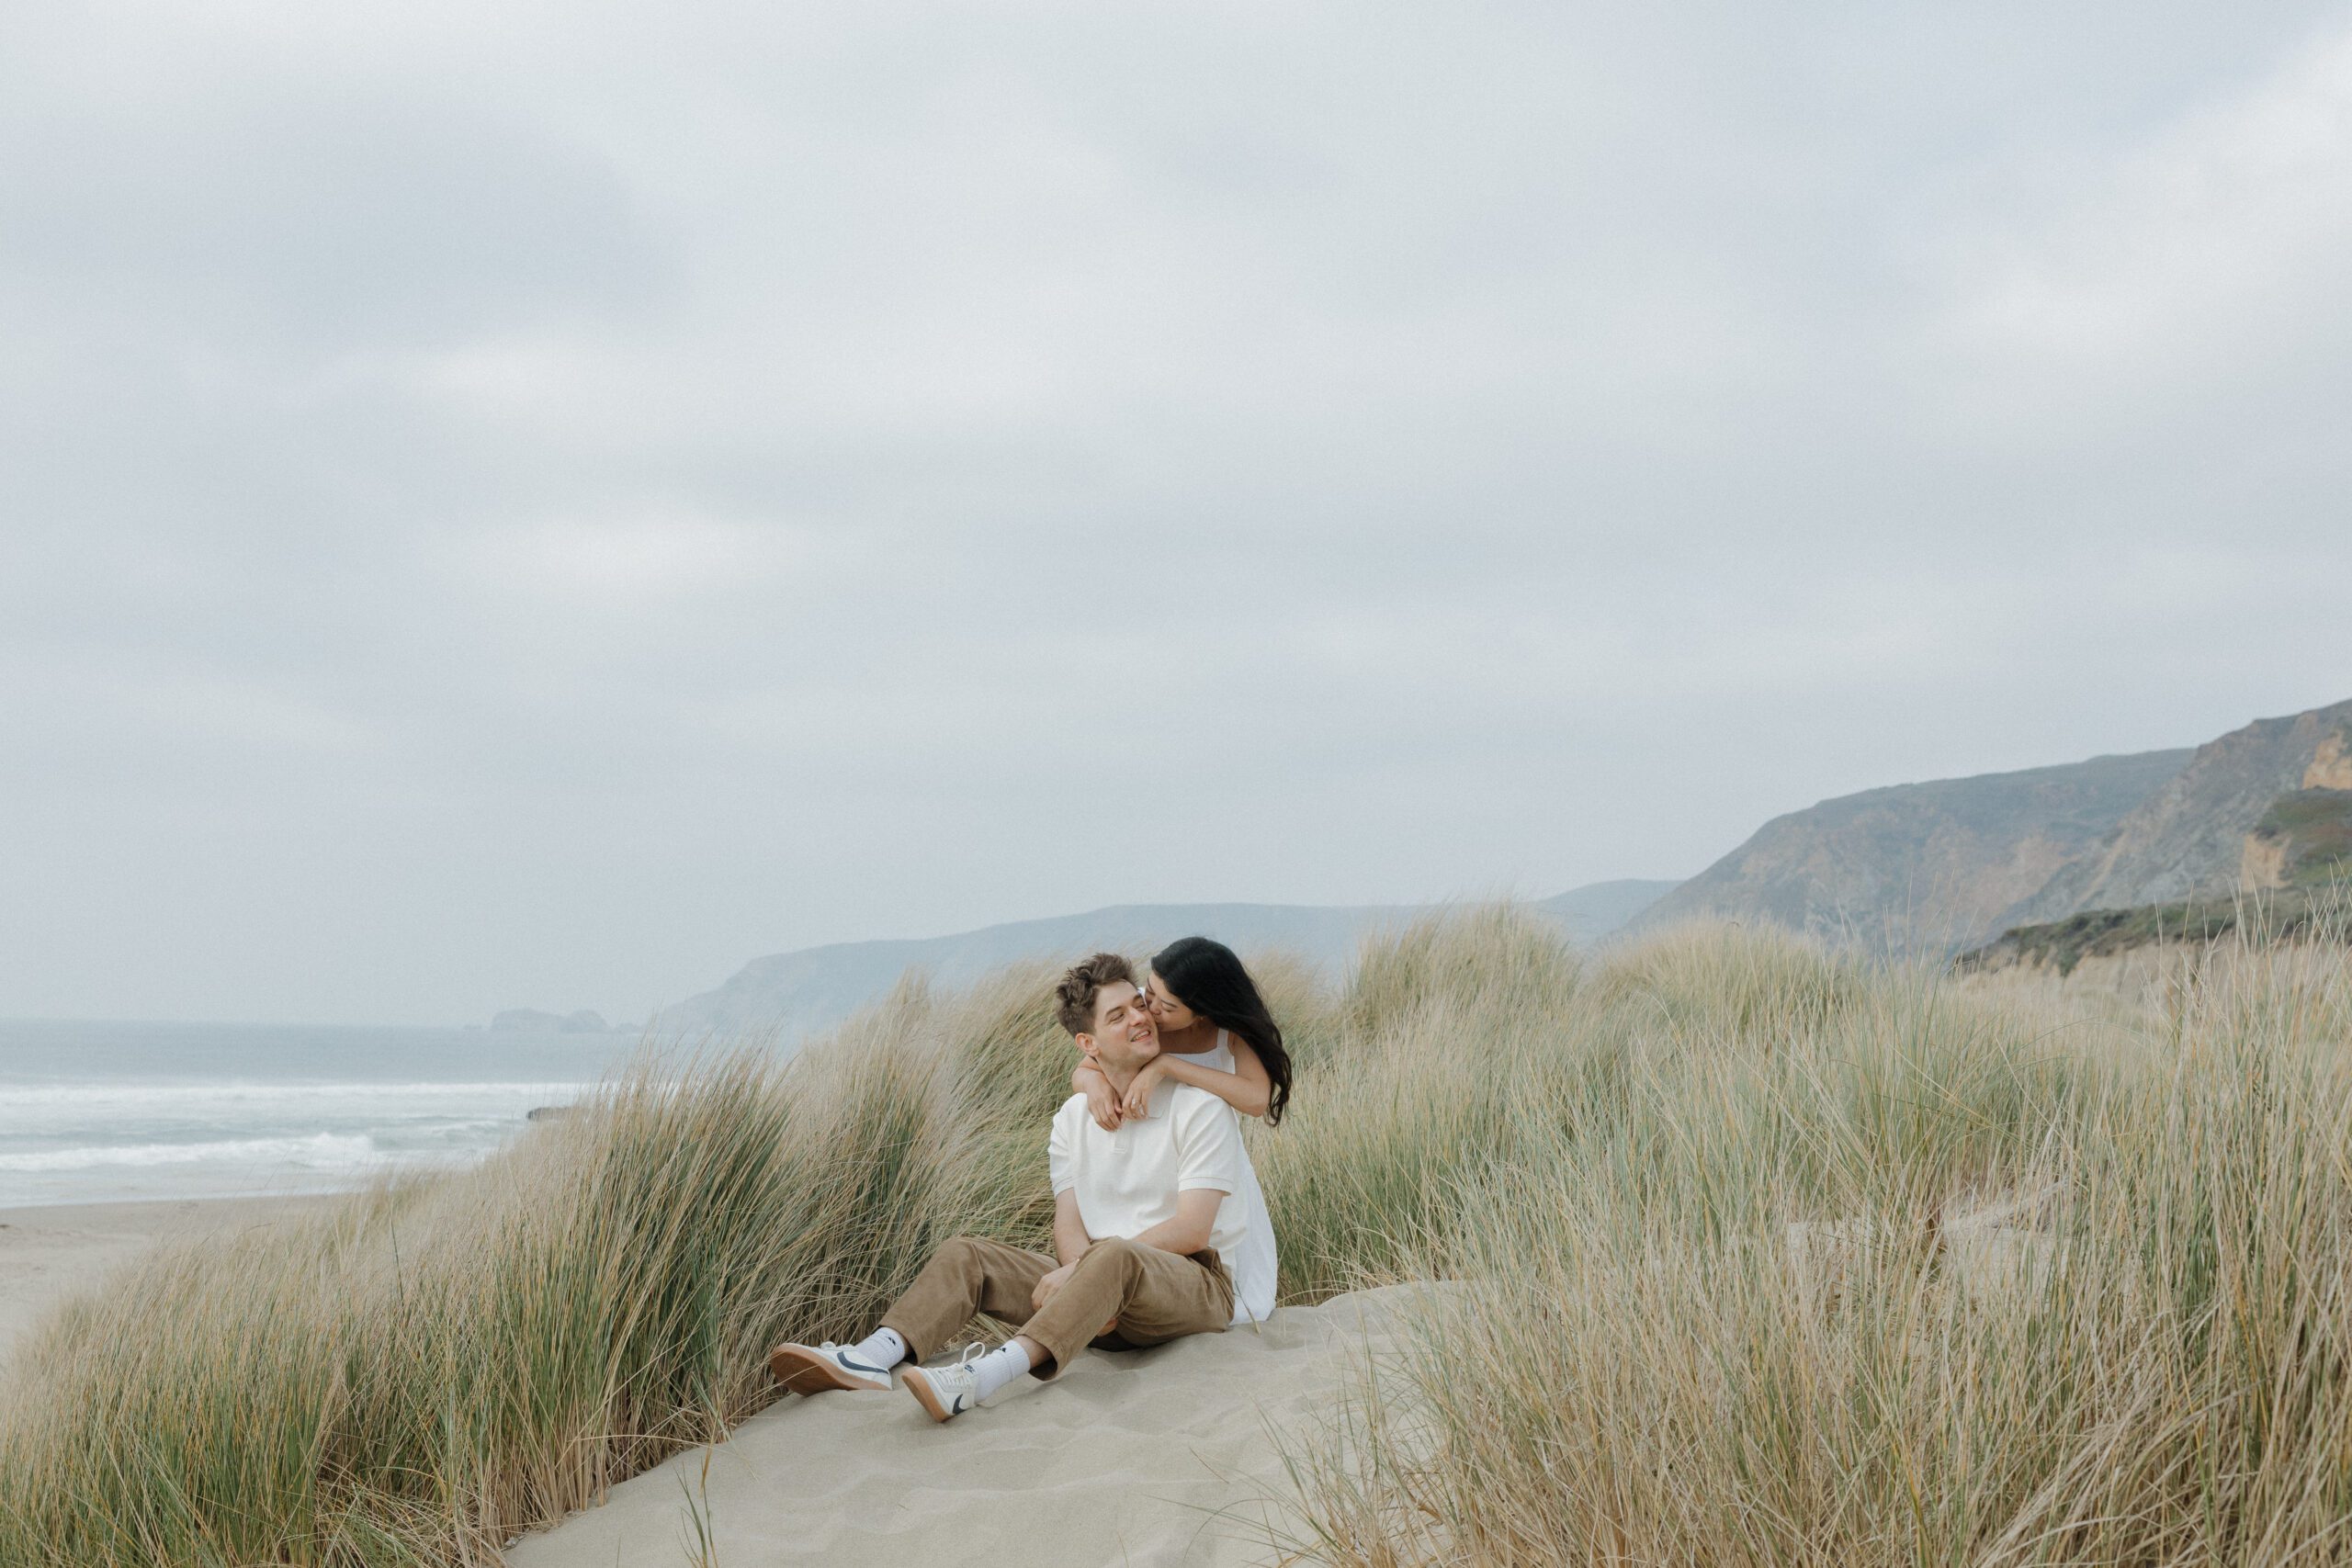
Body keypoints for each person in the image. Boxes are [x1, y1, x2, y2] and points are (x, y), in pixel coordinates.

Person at [765, 952, 1276, 1423]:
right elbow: (1069, 1222)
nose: (1141, 1018)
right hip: (1099, 1295)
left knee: (1113, 1256)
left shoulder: (1202, 1108)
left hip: (1195, 1288)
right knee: (967, 1255)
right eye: (1117, 1016)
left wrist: (1081, 1273)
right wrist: (1083, 1275)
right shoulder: (1072, 1119)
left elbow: (1192, 1230)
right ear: (1087, 1045)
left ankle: (978, 1378)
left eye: (1139, 1005)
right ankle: (872, 1357)